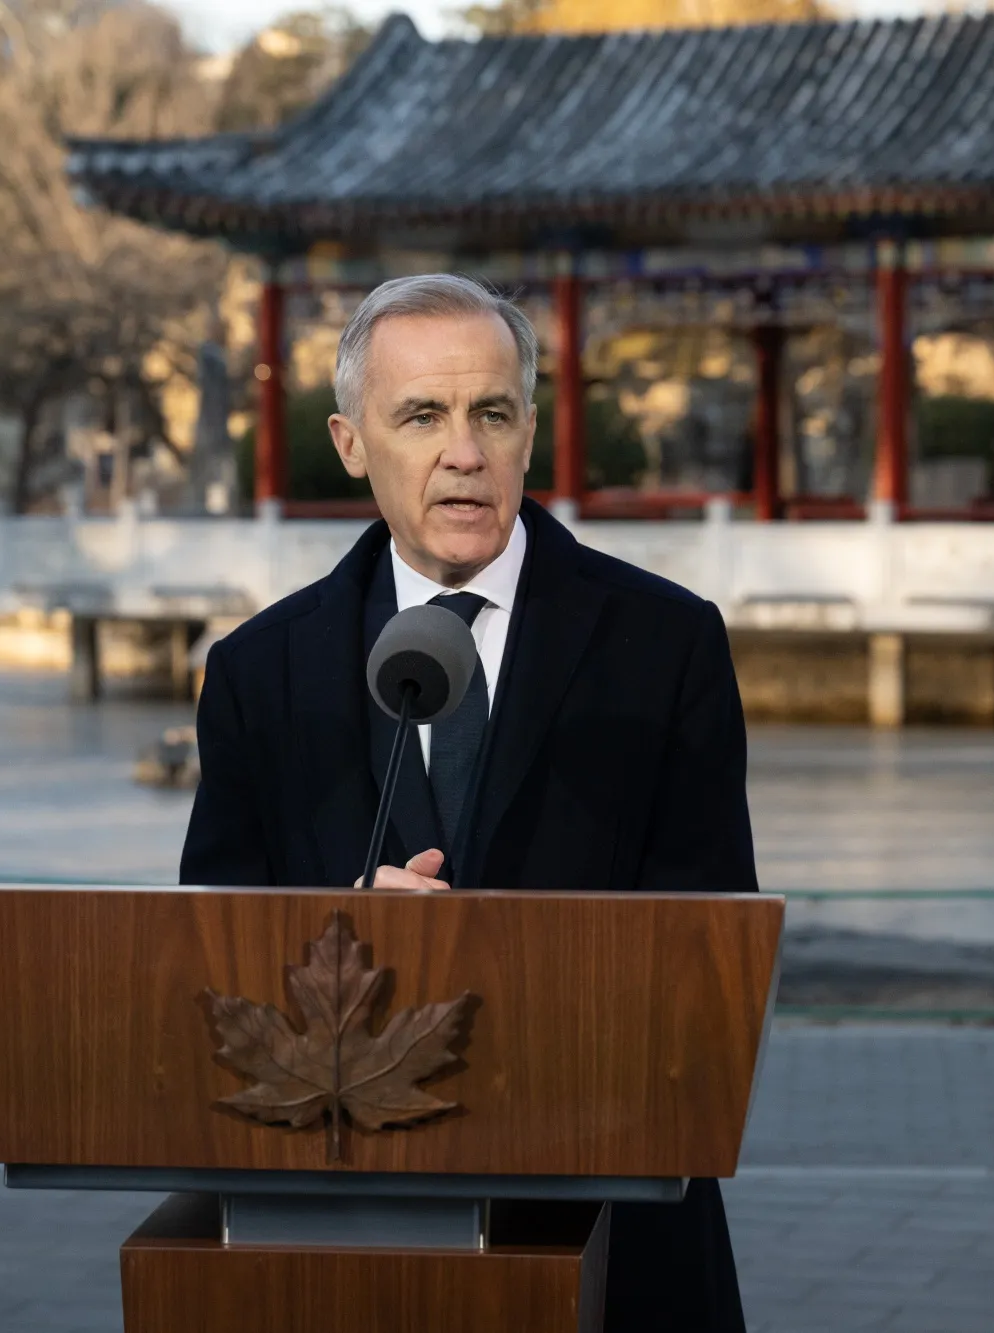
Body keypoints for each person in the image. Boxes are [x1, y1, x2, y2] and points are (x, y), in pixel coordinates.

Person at [180, 273, 756, 1333]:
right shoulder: (261, 671)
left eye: (491, 413)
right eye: (422, 416)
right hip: (340, 1222)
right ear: (351, 442)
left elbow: (708, 951)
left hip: (612, 1217)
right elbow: (207, 947)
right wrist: (331, 935)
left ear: (528, 431)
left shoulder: (662, 645)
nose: (463, 450)